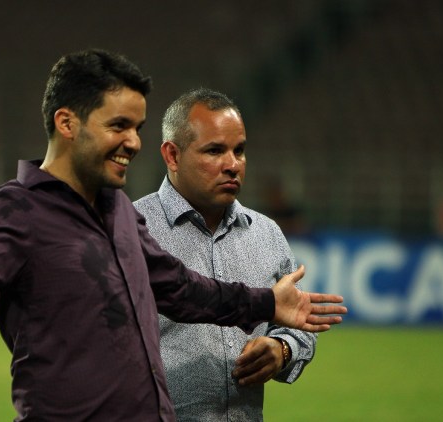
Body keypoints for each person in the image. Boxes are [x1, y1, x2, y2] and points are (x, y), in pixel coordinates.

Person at [0, 49, 346, 422]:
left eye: (137, 127)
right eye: (119, 125)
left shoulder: (116, 209)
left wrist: (268, 303)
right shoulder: (20, 207)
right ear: (67, 123)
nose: (133, 142)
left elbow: (180, 289)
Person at [134, 88, 317, 421]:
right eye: (215, 150)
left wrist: (282, 349)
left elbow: (298, 325)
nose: (233, 165)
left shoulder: (267, 234)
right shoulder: (132, 230)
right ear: (172, 155)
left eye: (240, 150)